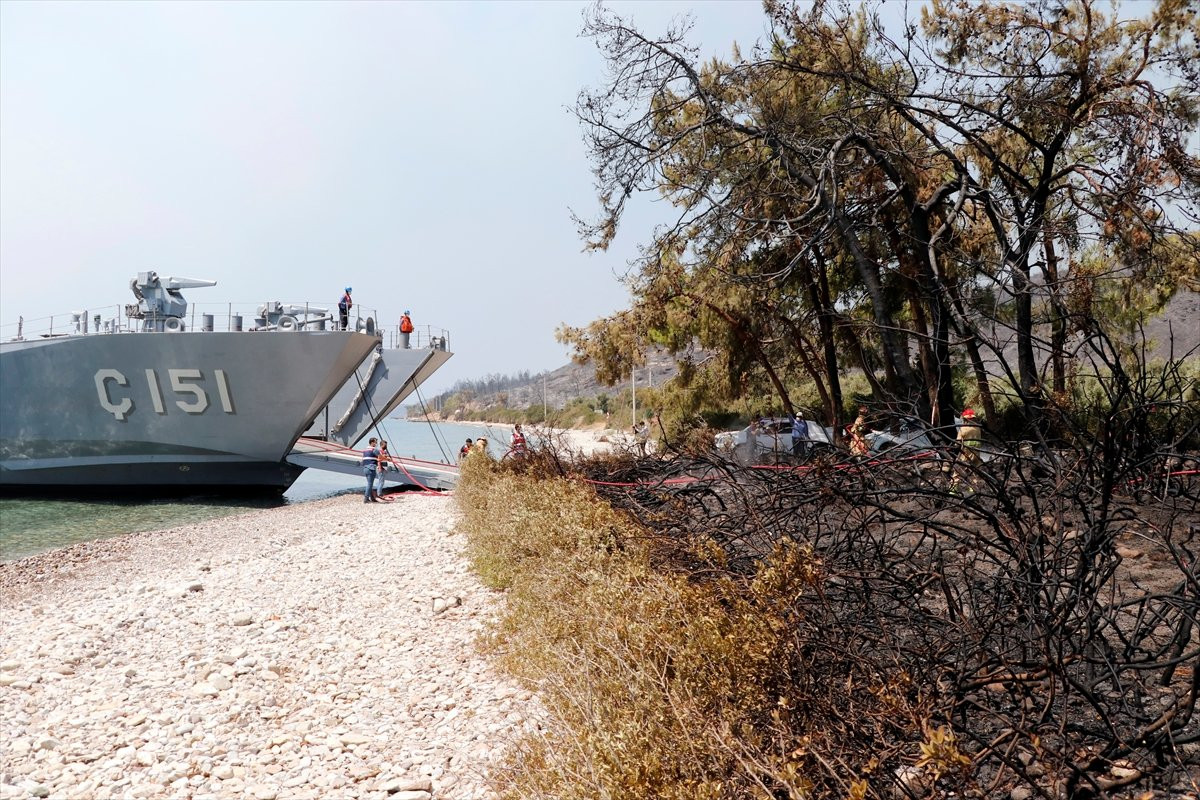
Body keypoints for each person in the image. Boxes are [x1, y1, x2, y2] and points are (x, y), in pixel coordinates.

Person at [950, 408, 983, 494]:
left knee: (958, 470)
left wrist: (952, 447)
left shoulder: (963, 429)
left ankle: (953, 489)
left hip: (965, 454)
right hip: (976, 454)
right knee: (974, 471)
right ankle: (973, 488)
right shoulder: (978, 429)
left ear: (965, 419)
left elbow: (958, 443)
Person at [361, 436, 380, 502]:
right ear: (372, 443)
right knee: (370, 484)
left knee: (370, 483)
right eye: (375, 442)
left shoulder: (365, 450)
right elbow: (380, 457)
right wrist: (387, 459)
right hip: (371, 468)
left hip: (365, 468)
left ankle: (372, 498)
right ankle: (366, 498)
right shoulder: (374, 450)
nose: (376, 443)